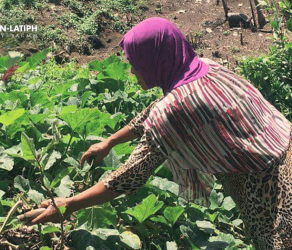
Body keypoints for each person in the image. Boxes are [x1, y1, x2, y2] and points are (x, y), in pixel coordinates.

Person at [29, 17, 292, 249]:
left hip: (272, 193)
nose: (131, 72)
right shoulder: (205, 67)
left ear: (155, 60)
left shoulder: (174, 108)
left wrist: (69, 204)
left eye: (135, 63)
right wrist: (109, 142)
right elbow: (155, 110)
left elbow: (129, 176)